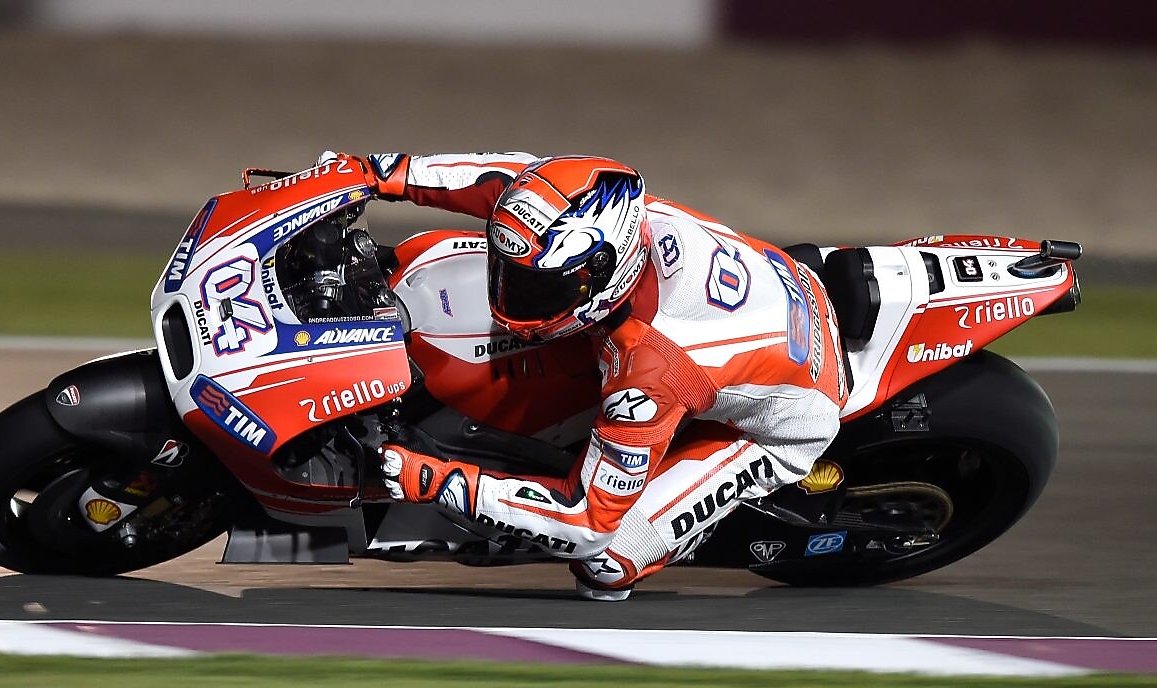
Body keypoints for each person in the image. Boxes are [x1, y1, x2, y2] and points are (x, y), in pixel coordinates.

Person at [339, 151, 849, 601]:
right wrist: (375, 172)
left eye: (537, 288)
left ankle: (682, 521)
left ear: (606, 275)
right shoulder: (585, 206)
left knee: (605, 564)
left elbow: (586, 522)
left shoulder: (649, 369)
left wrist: (432, 480)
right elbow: (499, 177)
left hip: (787, 418)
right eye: (512, 276)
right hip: (779, 290)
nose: (510, 296)